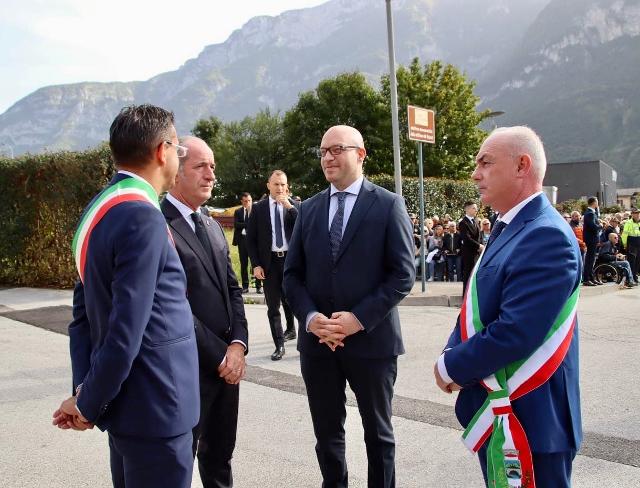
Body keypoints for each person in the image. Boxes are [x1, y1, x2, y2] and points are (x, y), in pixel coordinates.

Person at [52, 105, 200, 488]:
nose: (178, 159)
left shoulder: (100, 210)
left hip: (126, 408)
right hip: (157, 405)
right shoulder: (142, 215)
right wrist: (87, 402)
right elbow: (126, 329)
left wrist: (86, 393)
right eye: (178, 149)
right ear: (161, 151)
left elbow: (82, 315)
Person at [434, 126, 582, 488]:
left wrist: (451, 365)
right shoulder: (509, 227)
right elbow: (478, 309)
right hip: (504, 410)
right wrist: (453, 350)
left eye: (485, 162)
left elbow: (516, 331)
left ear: (521, 166)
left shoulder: (545, 235)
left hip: (532, 419)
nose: (475, 173)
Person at [283, 125, 415, 488]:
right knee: (327, 435)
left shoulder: (388, 205)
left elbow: (403, 275)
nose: (327, 157)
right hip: (319, 344)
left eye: (337, 149)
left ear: (360, 154)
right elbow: (291, 276)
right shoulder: (308, 209)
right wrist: (311, 319)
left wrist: (358, 319)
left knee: (378, 435)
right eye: (323, 151)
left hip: (372, 342)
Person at [161, 136, 249, 487]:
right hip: (186, 370)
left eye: (212, 166)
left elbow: (233, 290)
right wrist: (220, 355)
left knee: (220, 460)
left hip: (227, 368)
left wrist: (239, 345)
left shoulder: (212, 226)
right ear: (176, 173)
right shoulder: (159, 224)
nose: (211, 174)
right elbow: (172, 305)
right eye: (201, 166)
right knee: (178, 466)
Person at [246, 170, 299, 360]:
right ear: (268, 185)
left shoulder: (293, 206)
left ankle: (297, 334)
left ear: (287, 186)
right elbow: (250, 240)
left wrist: (290, 207)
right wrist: (256, 264)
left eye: (283, 184)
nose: (280, 188)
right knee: (273, 307)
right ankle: (279, 345)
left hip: (291, 262)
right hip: (269, 263)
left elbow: (305, 226)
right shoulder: (259, 209)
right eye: (276, 184)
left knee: (295, 301)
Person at [232, 192, 262, 294]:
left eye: (249, 201)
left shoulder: (256, 211)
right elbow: (236, 224)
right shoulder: (238, 211)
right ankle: (245, 286)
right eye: (245, 201)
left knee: (256, 263)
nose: (247, 203)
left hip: (254, 241)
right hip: (242, 240)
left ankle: (258, 286)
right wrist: (248, 224)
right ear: (242, 202)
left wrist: (245, 224)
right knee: (243, 264)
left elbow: (258, 225)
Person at [458, 201, 483, 293]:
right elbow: (466, 238)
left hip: (476, 253)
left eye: (476, 208)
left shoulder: (475, 221)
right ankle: (465, 299)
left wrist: (481, 245)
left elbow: (479, 236)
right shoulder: (463, 223)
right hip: (468, 254)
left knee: (475, 277)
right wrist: (479, 245)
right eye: (473, 208)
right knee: (468, 277)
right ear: (467, 209)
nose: (476, 210)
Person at [583, 196, 603, 285]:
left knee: (591, 259)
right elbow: (593, 226)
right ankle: (587, 279)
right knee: (590, 260)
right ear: (594, 203)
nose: (598, 203)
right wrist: (601, 225)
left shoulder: (592, 213)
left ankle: (591, 277)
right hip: (591, 239)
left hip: (592, 239)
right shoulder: (590, 213)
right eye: (597, 202)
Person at [621, 208, 640, 281]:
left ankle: (634, 276)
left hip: (638, 242)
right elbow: (624, 235)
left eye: (638, 213)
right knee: (632, 261)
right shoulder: (628, 223)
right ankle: (630, 278)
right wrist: (625, 244)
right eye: (636, 213)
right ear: (632, 214)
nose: (638, 214)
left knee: (638, 261)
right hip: (632, 243)